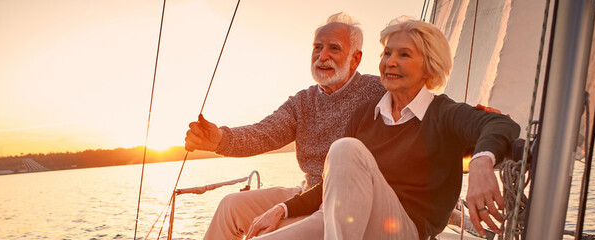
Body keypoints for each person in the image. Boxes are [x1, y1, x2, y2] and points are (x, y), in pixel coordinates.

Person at [245, 16, 520, 240]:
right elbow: (332, 185)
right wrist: (281, 209)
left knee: (345, 148)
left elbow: (500, 124)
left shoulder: (443, 113)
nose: (390, 61)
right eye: (387, 53)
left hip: (405, 230)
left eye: (404, 54)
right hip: (345, 219)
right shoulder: (365, 115)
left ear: (429, 66)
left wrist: (482, 164)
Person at [184, 12, 387, 240]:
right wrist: (220, 139)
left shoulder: (378, 92)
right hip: (306, 193)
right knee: (229, 207)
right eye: (317, 47)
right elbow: (264, 133)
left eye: (334, 48)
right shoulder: (303, 102)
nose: (322, 56)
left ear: (355, 59)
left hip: (343, 204)